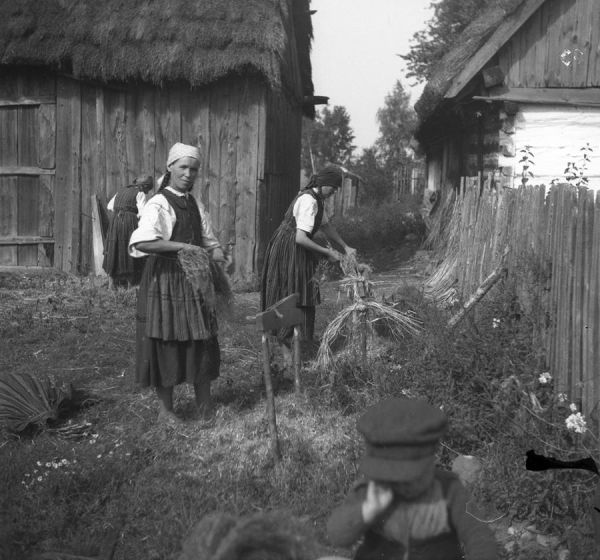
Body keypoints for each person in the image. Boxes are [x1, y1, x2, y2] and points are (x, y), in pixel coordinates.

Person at [327, 397, 499, 560]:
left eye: (407, 477)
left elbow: (479, 536)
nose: (399, 485)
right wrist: (368, 510)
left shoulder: (449, 489)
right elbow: (338, 536)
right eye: (390, 477)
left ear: (430, 463)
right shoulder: (370, 491)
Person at [129, 143, 226, 425]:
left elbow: (209, 241)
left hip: (195, 281)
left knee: (203, 338)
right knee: (167, 341)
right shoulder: (158, 203)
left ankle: (205, 406)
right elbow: (141, 241)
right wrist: (184, 247)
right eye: (183, 167)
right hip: (167, 281)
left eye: (193, 169)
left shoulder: (195, 203)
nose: (188, 173)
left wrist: (218, 256)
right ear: (170, 167)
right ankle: (166, 411)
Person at [260, 165, 356, 342]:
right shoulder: (308, 200)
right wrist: (327, 252)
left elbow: (326, 226)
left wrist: (345, 246)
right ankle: (286, 342)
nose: (334, 191)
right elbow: (300, 238)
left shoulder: (318, 200)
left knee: (305, 289)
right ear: (324, 183)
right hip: (288, 248)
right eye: (333, 187)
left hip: (297, 249)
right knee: (291, 291)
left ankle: (303, 341)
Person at [103, 175, 154, 287]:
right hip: (129, 222)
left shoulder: (121, 190)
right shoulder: (139, 193)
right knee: (129, 248)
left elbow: (109, 206)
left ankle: (112, 285)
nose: (147, 192)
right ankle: (131, 285)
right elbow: (143, 212)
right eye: (147, 189)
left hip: (115, 221)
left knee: (114, 248)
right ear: (143, 186)